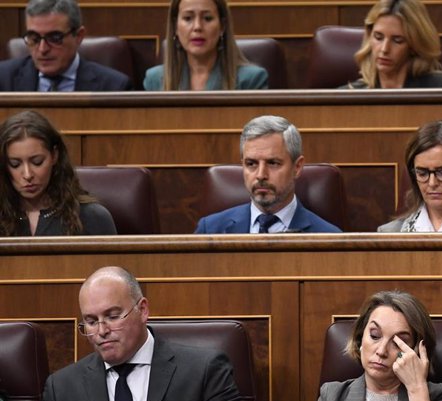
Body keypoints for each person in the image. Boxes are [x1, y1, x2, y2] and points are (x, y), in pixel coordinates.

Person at [41, 266, 245, 401]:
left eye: (112, 316)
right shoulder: (61, 388)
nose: (102, 331)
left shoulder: (204, 371)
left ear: (143, 310)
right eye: (92, 322)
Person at [310, 290, 442, 401]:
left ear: (416, 350)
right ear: (360, 338)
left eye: (397, 342)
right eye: (375, 335)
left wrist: (417, 390)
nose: (381, 351)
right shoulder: (331, 397)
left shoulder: (436, 396)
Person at [195, 115, 341, 233]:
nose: (260, 175)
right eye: (251, 164)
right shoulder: (210, 230)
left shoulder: (328, 237)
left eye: (273, 163)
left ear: (297, 167)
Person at [0, 110, 116, 236]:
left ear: (54, 155)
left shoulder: (92, 217)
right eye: (15, 164)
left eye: (37, 162)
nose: (27, 175)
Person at [0, 0, 132, 91]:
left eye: (55, 38)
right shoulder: (4, 80)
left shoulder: (113, 86)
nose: (42, 49)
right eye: (34, 38)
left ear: (79, 36)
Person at [143, 0, 267, 90]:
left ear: (222, 26)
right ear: (175, 26)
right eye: (188, 18)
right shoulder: (154, 80)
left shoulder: (252, 79)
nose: (197, 27)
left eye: (207, 18)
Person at [344, 0, 442, 89]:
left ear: (413, 45)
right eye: (378, 38)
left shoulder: (439, 88)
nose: (384, 49)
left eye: (397, 40)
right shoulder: (347, 96)